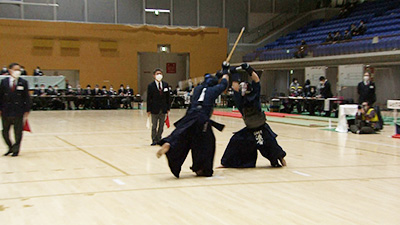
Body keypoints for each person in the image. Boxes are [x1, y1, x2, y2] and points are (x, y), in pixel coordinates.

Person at [156, 63, 230, 178]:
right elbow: (224, 83)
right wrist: (225, 70)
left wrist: (218, 75)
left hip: (190, 116)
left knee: (183, 138)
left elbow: (214, 80)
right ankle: (201, 168)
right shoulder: (213, 90)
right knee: (206, 144)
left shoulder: (198, 89)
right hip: (202, 118)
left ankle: (170, 144)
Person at [220, 63, 286, 169]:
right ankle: (226, 163)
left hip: (260, 128)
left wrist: (234, 74)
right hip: (252, 129)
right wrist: (248, 69)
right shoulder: (252, 97)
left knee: (271, 145)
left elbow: (236, 87)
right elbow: (256, 80)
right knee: (236, 141)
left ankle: (281, 159)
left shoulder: (243, 100)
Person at [0, 63, 31, 157]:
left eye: (19, 69)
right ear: (10, 70)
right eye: (16, 69)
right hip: (6, 111)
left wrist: (27, 110)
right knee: (5, 132)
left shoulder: (23, 82)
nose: (18, 71)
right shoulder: (4, 82)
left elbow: (27, 97)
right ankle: (10, 147)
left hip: (18, 111)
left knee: (18, 132)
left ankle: (16, 149)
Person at [147, 68, 171, 146]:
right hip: (154, 109)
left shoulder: (165, 85)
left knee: (161, 125)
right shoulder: (151, 86)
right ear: (154, 76)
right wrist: (148, 109)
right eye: (157, 74)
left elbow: (168, 97)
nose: (159, 75)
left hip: (163, 109)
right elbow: (149, 98)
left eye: (160, 73)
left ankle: (159, 138)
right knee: (154, 125)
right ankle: (154, 139)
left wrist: (168, 108)